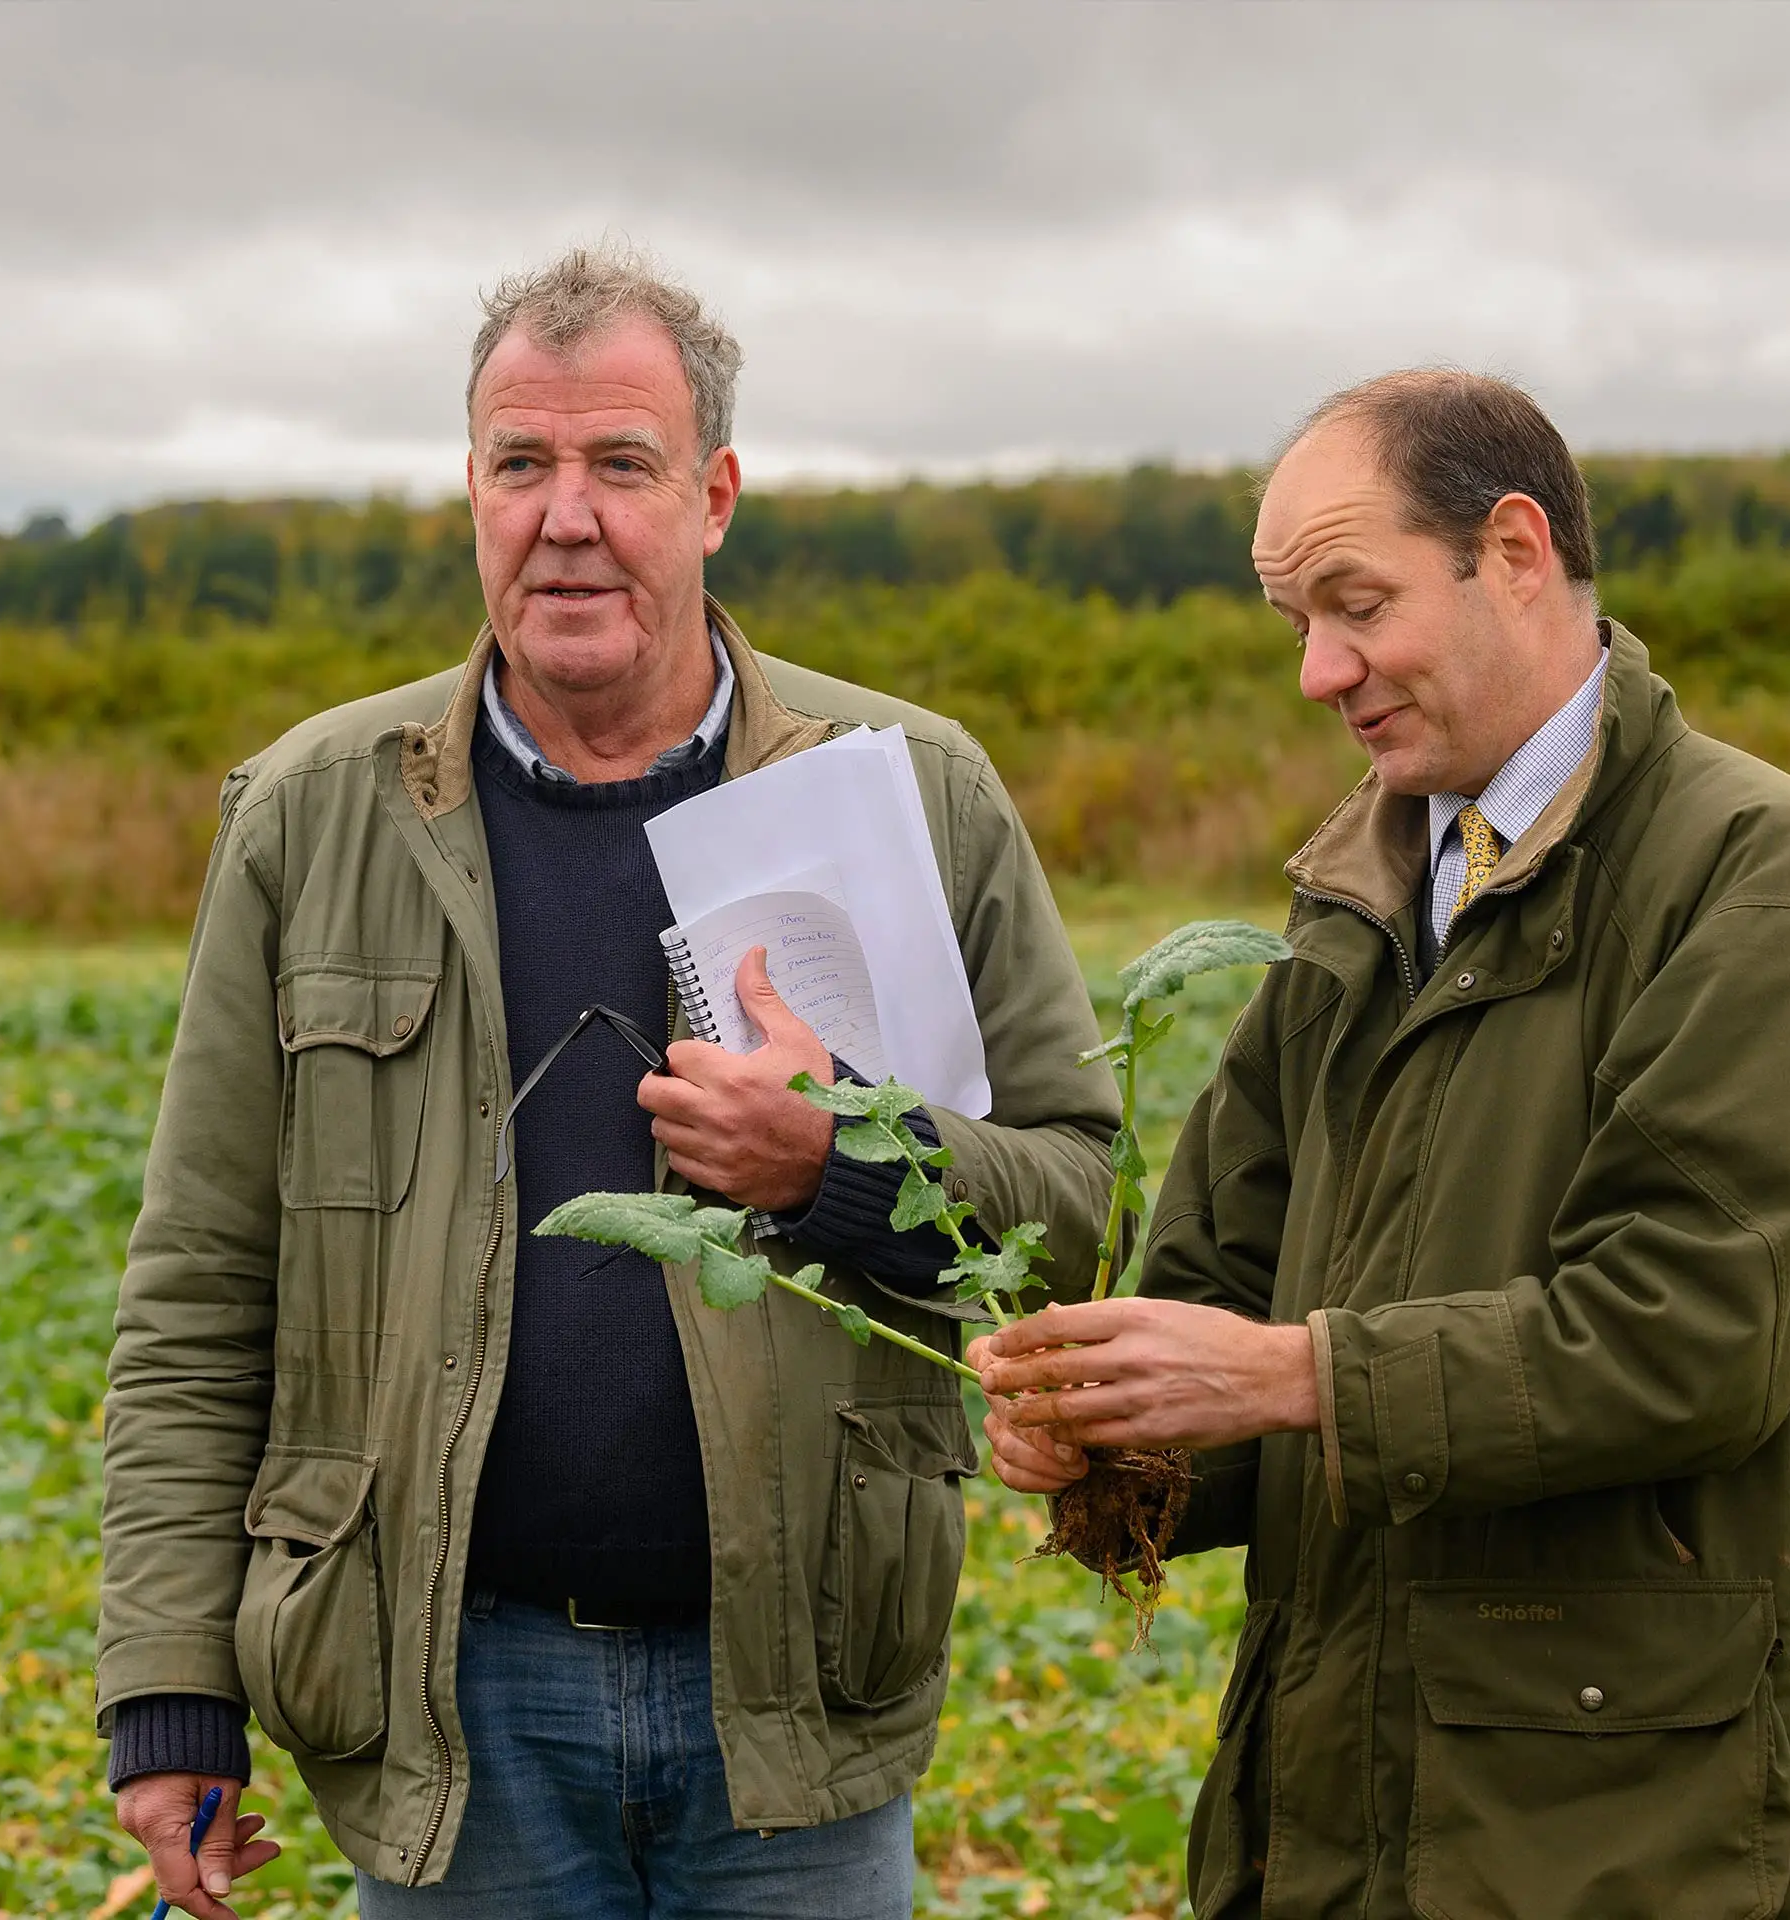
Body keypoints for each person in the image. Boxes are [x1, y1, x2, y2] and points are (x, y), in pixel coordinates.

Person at [96, 246, 1118, 1919]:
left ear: (713, 495)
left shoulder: (909, 793)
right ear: (472, 493)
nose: (565, 516)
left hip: (792, 1700)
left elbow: (1082, 1212)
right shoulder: (313, 814)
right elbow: (202, 1283)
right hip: (453, 1716)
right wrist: (168, 1685)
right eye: (522, 464)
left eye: (621, 465)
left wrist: (835, 1165)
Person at [976, 370, 1790, 1918]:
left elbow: (1696, 1332)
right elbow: (1219, 1287)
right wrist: (1116, 1441)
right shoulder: (1362, 891)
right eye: (1293, 621)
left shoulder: (1759, 886)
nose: (1318, 670)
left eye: (1355, 605)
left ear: (1513, 548)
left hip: (1656, 1839)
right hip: (1348, 1826)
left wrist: (1293, 1376)